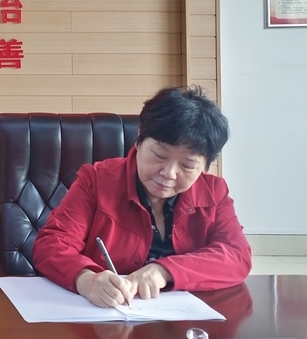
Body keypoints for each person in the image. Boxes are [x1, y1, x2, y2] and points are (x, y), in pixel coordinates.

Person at [32, 86, 251, 308]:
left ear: (205, 166)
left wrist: (165, 271)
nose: (169, 173)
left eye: (187, 165)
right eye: (159, 155)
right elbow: (51, 244)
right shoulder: (97, 180)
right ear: (138, 140)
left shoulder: (214, 191)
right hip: (106, 315)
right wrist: (86, 279)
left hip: (185, 319)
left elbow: (237, 256)